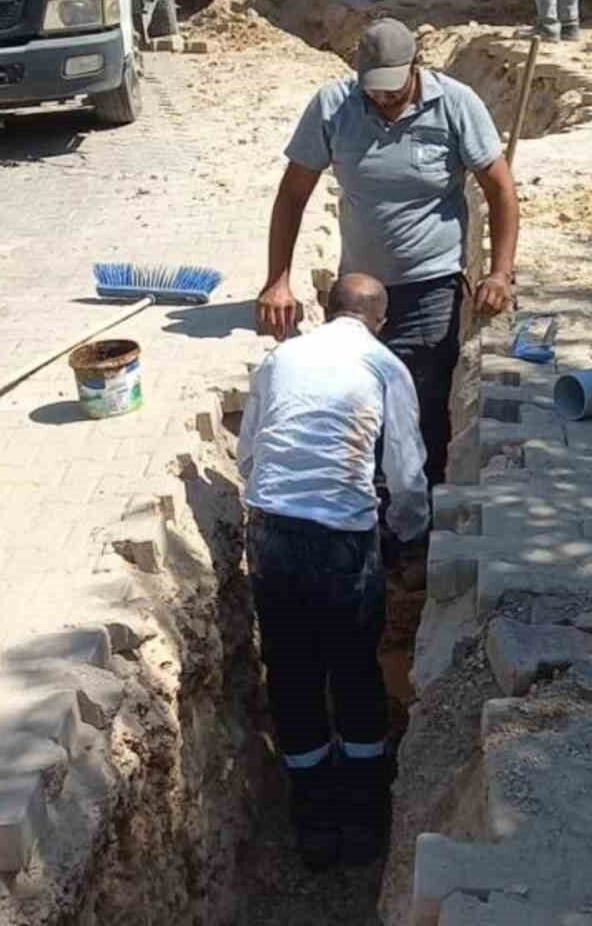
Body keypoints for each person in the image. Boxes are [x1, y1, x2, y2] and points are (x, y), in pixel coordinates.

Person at [257, 18, 519, 487]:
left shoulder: (456, 105)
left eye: (392, 90)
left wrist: (499, 273)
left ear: (416, 67)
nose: (382, 100)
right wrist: (278, 280)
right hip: (357, 293)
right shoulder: (333, 106)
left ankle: (424, 512)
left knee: (421, 401)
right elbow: (292, 194)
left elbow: (499, 190)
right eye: (373, 90)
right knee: (358, 399)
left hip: (431, 285)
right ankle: (368, 504)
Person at [239, 273, 428, 869]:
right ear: (382, 320)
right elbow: (406, 472)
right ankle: (365, 818)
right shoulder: (384, 365)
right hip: (343, 542)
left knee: (292, 673)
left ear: (326, 309)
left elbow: (249, 453)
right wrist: (408, 533)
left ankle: (313, 821)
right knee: (353, 670)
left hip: (272, 533)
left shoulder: (281, 357)